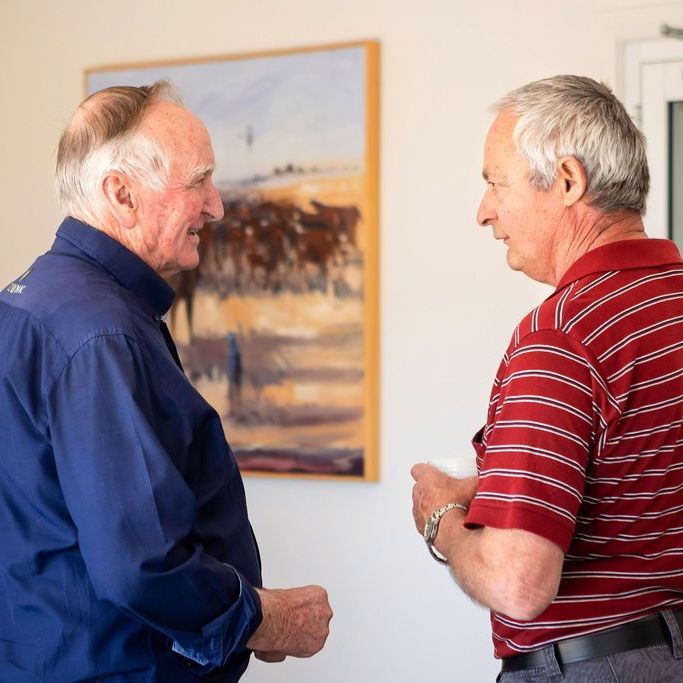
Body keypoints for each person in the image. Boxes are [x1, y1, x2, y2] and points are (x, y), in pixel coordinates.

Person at [0, 81, 332, 682]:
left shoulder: (32, 301)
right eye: (198, 181)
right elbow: (141, 563)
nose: (217, 206)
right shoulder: (102, 334)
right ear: (121, 194)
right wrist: (265, 618)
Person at [411, 75, 683, 681]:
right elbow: (635, 470)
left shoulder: (564, 333)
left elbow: (516, 583)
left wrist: (440, 520)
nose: (483, 211)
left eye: (493, 182)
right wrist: (493, 489)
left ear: (567, 181)